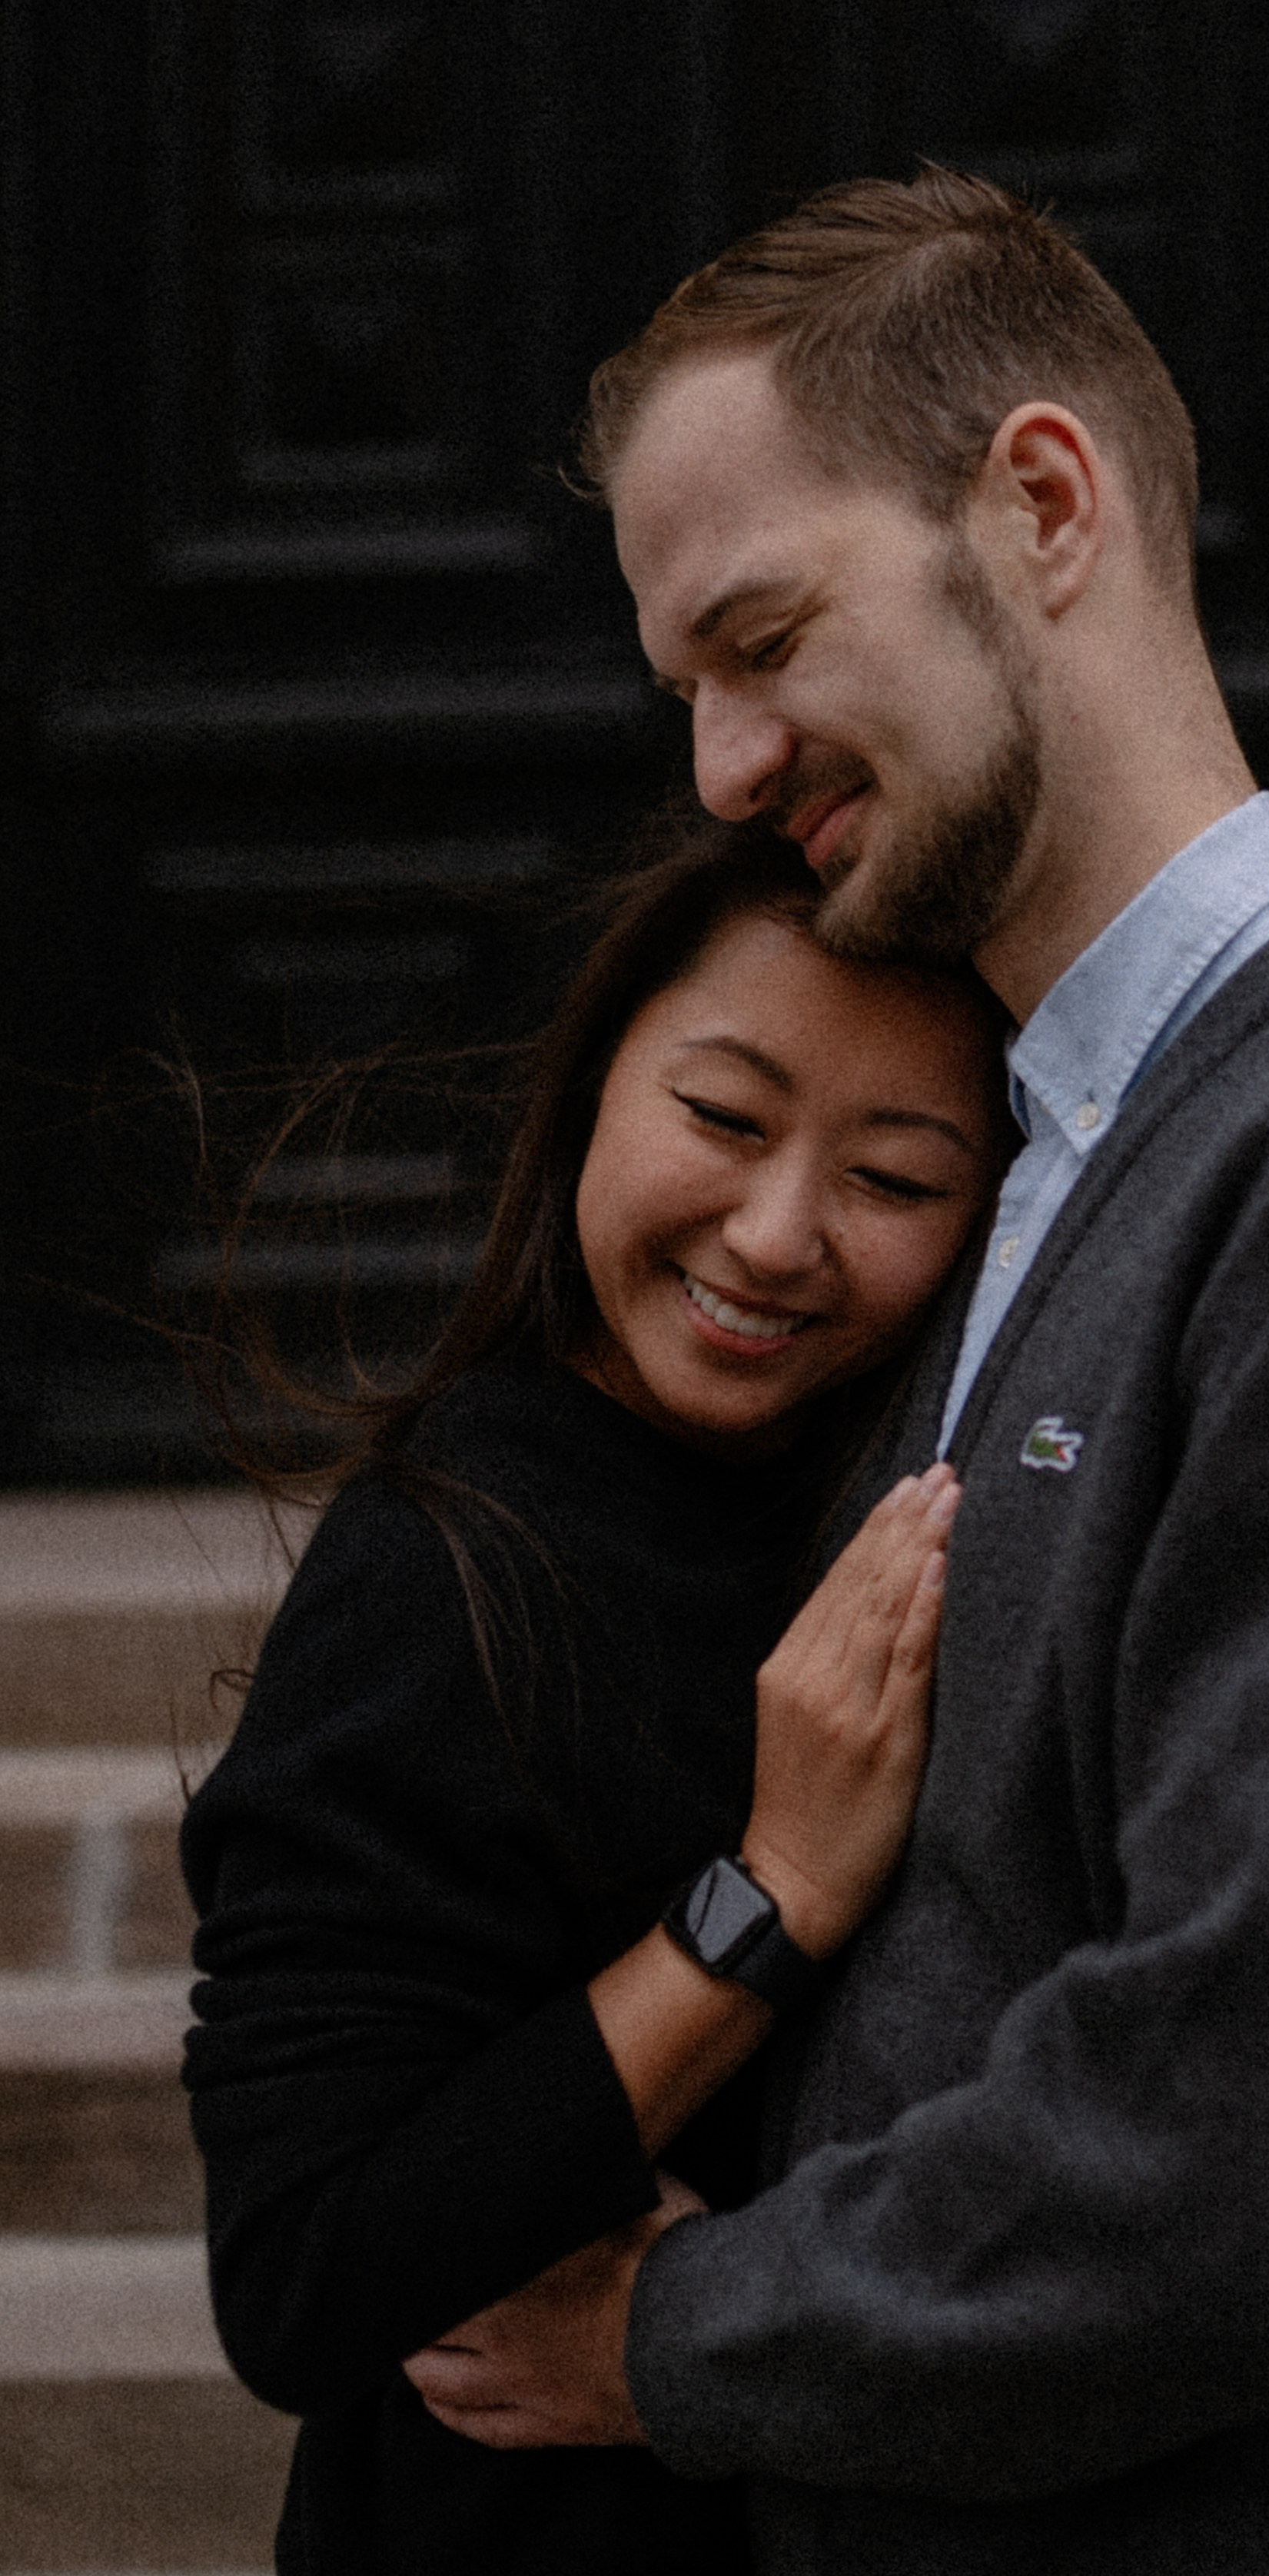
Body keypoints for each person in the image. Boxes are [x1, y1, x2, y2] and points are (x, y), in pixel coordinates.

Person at [407, 170, 1269, 2572]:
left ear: (1035, 504)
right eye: (680, 682)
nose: (714, 767)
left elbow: (1246, 2147)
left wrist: (677, 2336)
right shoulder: (1004, 1182)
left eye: (764, 637)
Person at [178, 823, 1011, 2574]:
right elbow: (304, 2268)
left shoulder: (918, 1505)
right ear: (591, 1092)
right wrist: (766, 1895)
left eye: (898, 1177)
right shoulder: (441, 1566)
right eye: (720, 1117)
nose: (776, 1234)